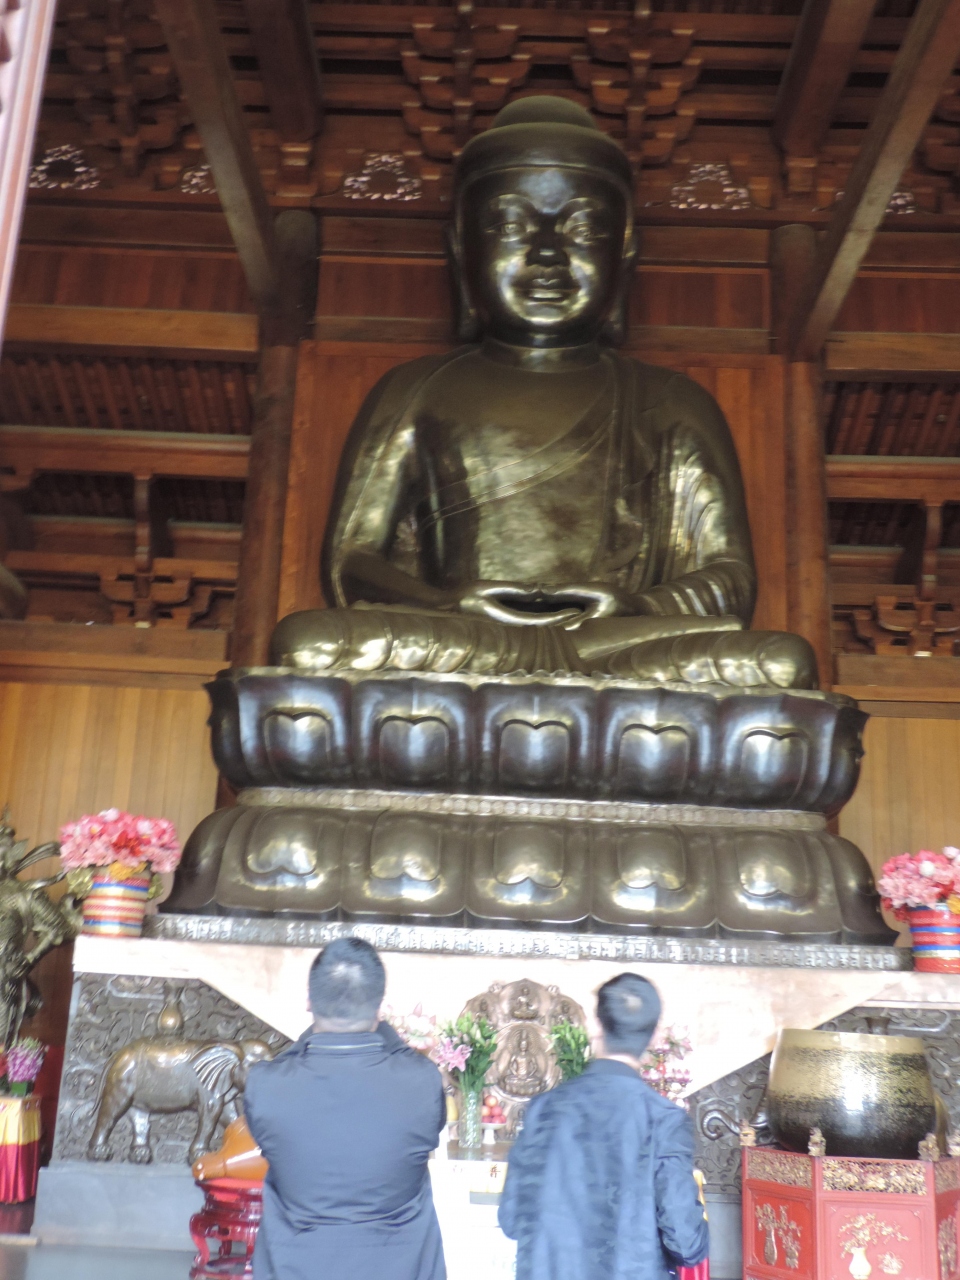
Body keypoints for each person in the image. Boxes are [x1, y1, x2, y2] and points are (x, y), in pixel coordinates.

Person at [243, 937, 447, 1280]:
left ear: (309, 1001)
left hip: (296, 1266)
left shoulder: (267, 1086)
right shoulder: (421, 1083)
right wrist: (390, 1038)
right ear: (379, 1006)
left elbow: (286, 1068)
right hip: (399, 1267)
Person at [498, 972, 708, 1280]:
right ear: (654, 1036)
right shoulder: (664, 1120)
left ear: (595, 1025)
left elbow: (512, 1219)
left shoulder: (544, 1109)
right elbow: (686, 1243)